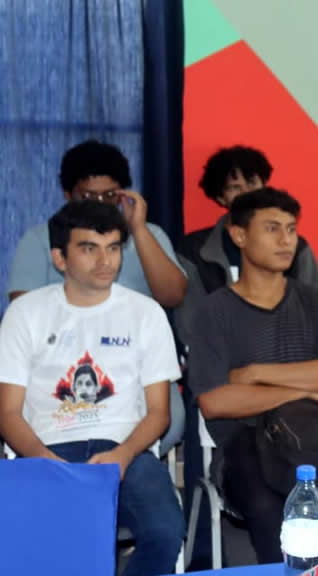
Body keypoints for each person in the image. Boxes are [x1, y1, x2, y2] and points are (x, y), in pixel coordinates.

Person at [186, 188, 318, 562]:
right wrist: (305, 390)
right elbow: (216, 401)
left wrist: (256, 374)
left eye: (291, 229)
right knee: (274, 516)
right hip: (248, 443)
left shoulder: (316, 300)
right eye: (272, 229)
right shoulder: (213, 311)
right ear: (239, 235)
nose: (287, 240)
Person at [0, 201, 185, 576]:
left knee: (165, 532)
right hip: (46, 448)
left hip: (127, 449)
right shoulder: (26, 313)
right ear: (59, 258)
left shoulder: (145, 312)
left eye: (114, 248)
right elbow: (7, 412)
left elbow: (158, 412)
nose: (105, 261)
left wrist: (124, 454)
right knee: (50, 546)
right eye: (89, 248)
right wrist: (42, 459)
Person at [5, 139, 186, 460]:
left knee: (168, 420)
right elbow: (26, 311)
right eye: (89, 196)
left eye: (110, 195)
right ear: (68, 194)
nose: (101, 203)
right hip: (58, 368)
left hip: (138, 368)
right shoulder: (41, 238)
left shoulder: (149, 236)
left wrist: (138, 231)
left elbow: (173, 295)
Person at [175, 145, 318, 348]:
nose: (246, 193)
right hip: (219, 361)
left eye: (252, 183)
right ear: (220, 197)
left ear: (264, 186)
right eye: (235, 188)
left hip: (286, 358)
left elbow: (314, 313)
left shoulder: (293, 246)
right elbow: (191, 325)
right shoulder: (192, 250)